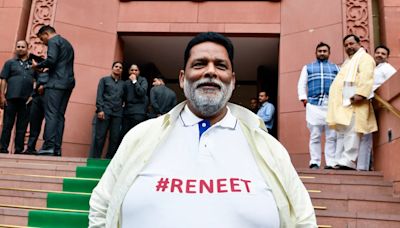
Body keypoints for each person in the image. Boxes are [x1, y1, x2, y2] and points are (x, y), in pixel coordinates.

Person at [89, 32, 316, 227]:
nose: (211, 71)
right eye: (199, 64)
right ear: (182, 78)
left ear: (233, 80)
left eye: (221, 65)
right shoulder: (140, 136)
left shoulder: (269, 147)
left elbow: (303, 220)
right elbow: (102, 206)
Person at [327, 34, 377, 170]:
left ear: (359, 43)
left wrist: (360, 93)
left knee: (353, 131)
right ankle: (340, 160)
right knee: (343, 132)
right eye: (346, 45)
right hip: (345, 102)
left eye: (351, 44)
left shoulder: (365, 58)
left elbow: (367, 76)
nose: (349, 47)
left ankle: (348, 160)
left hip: (355, 100)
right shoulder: (348, 62)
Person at [32, 25, 75, 156]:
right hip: (68, 82)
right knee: (59, 115)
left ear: (45, 34)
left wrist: (37, 66)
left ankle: (48, 146)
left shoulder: (53, 41)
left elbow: (51, 60)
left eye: (41, 39)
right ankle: (56, 148)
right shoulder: (67, 43)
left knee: (51, 114)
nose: (43, 43)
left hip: (56, 83)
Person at [297, 42, 339, 169]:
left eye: (324, 51)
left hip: (331, 106)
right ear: (316, 53)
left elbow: (341, 86)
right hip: (314, 106)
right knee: (315, 135)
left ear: (329, 53)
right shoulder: (308, 67)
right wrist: (304, 99)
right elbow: (301, 84)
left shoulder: (336, 68)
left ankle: (331, 162)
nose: (322, 53)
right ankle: (314, 162)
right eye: (319, 51)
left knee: (331, 136)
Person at [357, 45, 397, 171]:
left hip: (375, 104)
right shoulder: (371, 68)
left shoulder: (387, 68)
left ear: (387, 57)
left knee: (366, 135)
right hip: (363, 104)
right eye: (377, 52)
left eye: (383, 54)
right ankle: (360, 166)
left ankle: (363, 167)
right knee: (362, 134)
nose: (379, 55)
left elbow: (394, 83)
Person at [0, 40, 36, 154]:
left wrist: (32, 96)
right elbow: (3, 79)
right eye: (18, 46)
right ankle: (2, 148)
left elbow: (38, 81)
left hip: (26, 101)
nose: (20, 48)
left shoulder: (33, 64)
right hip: (10, 98)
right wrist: (2, 96)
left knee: (22, 127)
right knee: (7, 125)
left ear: (27, 48)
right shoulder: (10, 63)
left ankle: (18, 150)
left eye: (22, 47)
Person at [90, 61, 124, 159]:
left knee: (114, 138)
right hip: (105, 111)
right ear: (112, 68)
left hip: (117, 114)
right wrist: (100, 109)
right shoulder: (104, 80)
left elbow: (125, 98)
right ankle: (95, 159)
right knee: (100, 137)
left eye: (120, 67)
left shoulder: (123, 84)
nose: (118, 68)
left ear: (122, 70)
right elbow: (99, 95)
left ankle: (109, 159)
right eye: (116, 66)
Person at [24, 71, 48, 154]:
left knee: (49, 122)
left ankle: (47, 147)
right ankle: (30, 147)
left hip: (49, 96)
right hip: (36, 97)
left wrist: (45, 86)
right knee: (34, 122)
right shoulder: (38, 70)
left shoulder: (55, 67)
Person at [120, 64, 148, 138]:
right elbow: (123, 96)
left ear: (139, 72)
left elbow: (141, 92)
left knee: (135, 136)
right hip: (127, 113)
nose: (134, 72)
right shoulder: (126, 83)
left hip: (138, 113)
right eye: (132, 70)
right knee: (124, 135)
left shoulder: (143, 80)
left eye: (136, 70)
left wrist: (135, 81)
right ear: (129, 72)